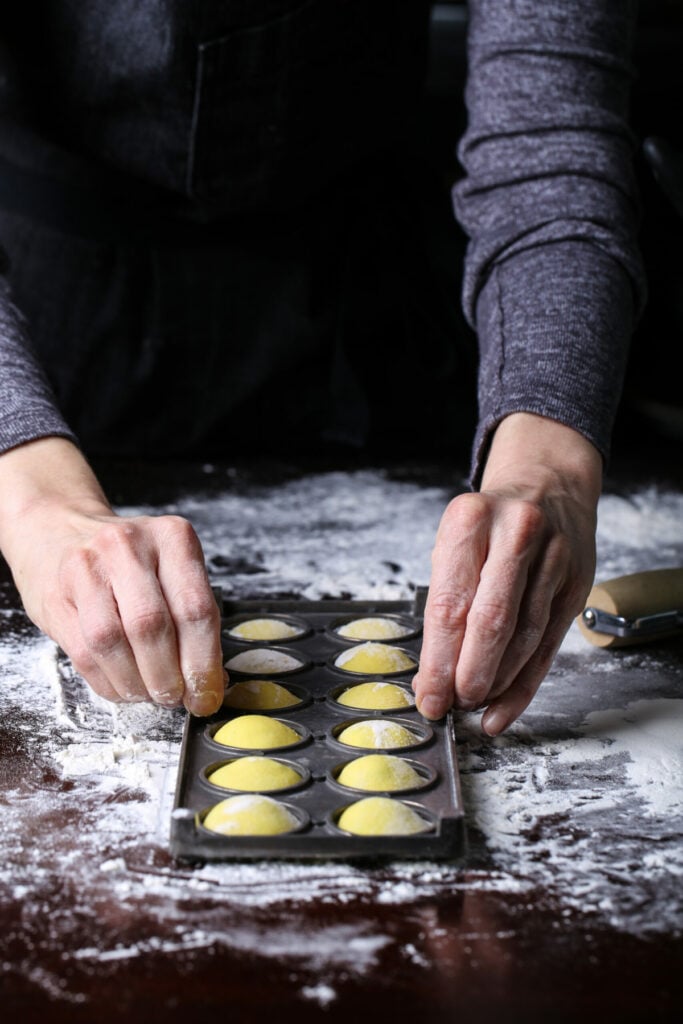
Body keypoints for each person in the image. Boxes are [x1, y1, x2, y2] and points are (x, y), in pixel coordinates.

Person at [0, 1, 645, 734]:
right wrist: (35, 503)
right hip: (65, 340)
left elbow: (549, 145)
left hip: (372, 310)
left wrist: (550, 468)